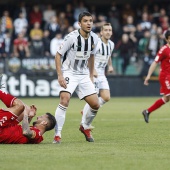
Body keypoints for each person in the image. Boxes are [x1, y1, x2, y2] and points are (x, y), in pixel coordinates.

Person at [53, 11, 100, 144]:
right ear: (79, 24)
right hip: (69, 72)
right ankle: (58, 134)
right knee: (64, 100)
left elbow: (91, 56)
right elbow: (58, 55)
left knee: (95, 104)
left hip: (84, 74)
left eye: (90, 21)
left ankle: (84, 126)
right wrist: (60, 75)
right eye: (85, 21)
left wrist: (91, 75)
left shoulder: (95, 38)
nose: (89, 23)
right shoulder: (71, 37)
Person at [0, 75, 56, 144]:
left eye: (41, 117)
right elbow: (25, 129)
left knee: (21, 106)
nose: (38, 117)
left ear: (44, 122)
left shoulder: (37, 134)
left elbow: (26, 132)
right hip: (5, 127)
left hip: (2, 130)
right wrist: (30, 116)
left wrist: (26, 114)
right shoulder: (37, 134)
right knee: (26, 108)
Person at [81, 23, 114, 128]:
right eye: (106, 30)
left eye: (110, 30)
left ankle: (86, 109)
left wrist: (110, 66)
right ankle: (84, 123)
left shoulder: (111, 44)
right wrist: (92, 70)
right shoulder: (97, 43)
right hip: (92, 73)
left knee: (106, 97)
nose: (108, 32)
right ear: (101, 32)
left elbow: (108, 56)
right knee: (93, 98)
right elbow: (87, 56)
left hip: (102, 74)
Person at [142, 30, 170, 123]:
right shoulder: (164, 49)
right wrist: (149, 75)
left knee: (166, 99)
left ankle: (147, 111)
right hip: (165, 76)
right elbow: (155, 62)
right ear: (167, 39)